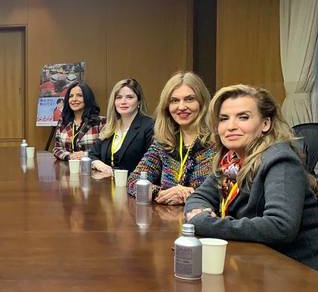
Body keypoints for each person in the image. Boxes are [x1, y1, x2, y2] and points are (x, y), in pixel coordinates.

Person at [184, 85, 318, 275]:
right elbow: (198, 197)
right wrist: (200, 216)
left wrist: (208, 224)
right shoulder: (232, 161)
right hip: (261, 265)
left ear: (266, 124)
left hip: (305, 272)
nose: (230, 126)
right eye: (224, 119)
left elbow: (280, 227)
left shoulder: (280, 160)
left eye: (243, 117)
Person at [127, 72, 217, 204]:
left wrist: (191, 195)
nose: (181, 107)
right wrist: (158, 192)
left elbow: (224, 194)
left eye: (189, 99)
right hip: (167, 220)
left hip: (202, 220)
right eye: (174, 100)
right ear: (167, 107)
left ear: (202, 102)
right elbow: (134, 180)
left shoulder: (218, 144)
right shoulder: (163, 143)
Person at [89, 78, 154, 176]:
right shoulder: (109, 127)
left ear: (139, 101)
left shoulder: (149, 126)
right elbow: (92, 154)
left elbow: (152, 165)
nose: (123, 102)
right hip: (106, 186)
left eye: (129, 97)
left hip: (134, 188)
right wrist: (98, 163)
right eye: (118, 97)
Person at [51, 81, 105, 161]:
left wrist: (85, 154)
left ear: (87, 98)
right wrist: (69, 156)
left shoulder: (100, 122)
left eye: (79, 95)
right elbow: (57, 148)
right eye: (71, 96)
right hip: (68, 170)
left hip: (92, 169)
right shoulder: (63, 122)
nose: (74, 99)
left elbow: (104, 150)